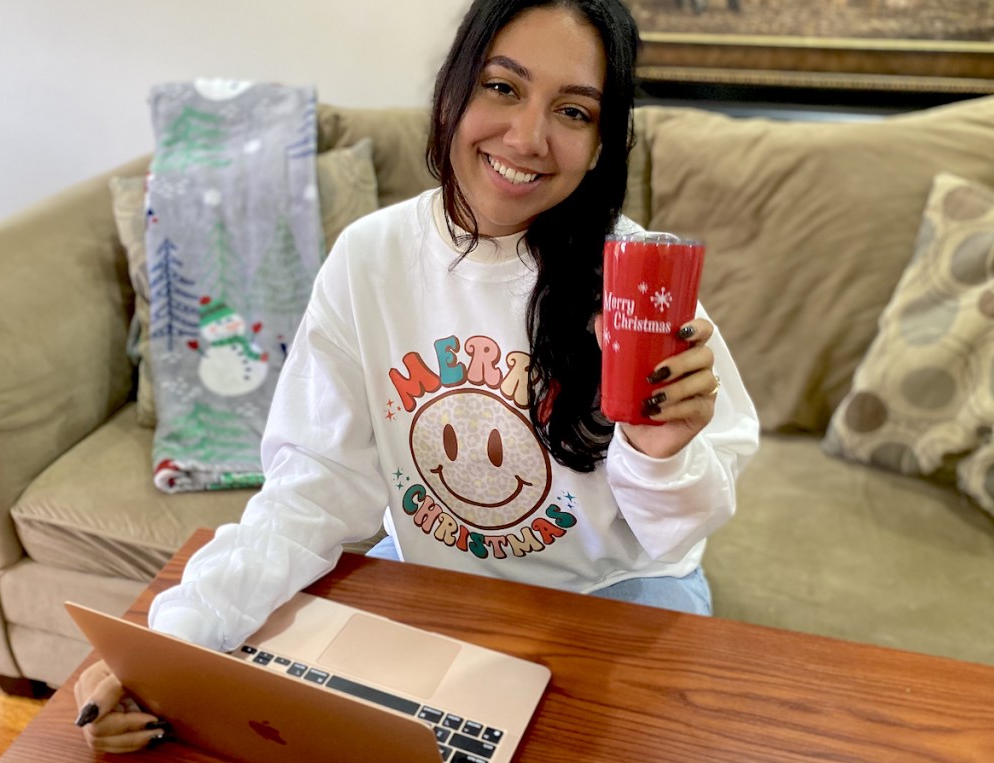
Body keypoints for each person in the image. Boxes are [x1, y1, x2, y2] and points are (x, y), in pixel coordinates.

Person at [74, 0, 759, 751]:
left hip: (618, 593)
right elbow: (313, 491)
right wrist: (170, 647)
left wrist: (661, 451)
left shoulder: (637, 282)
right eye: (502, 87)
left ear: (600, 144)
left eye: (572, 110)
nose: (527, 138)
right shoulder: (369, 259)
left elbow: (673, 530)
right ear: (452, 92)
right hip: (435, 576)